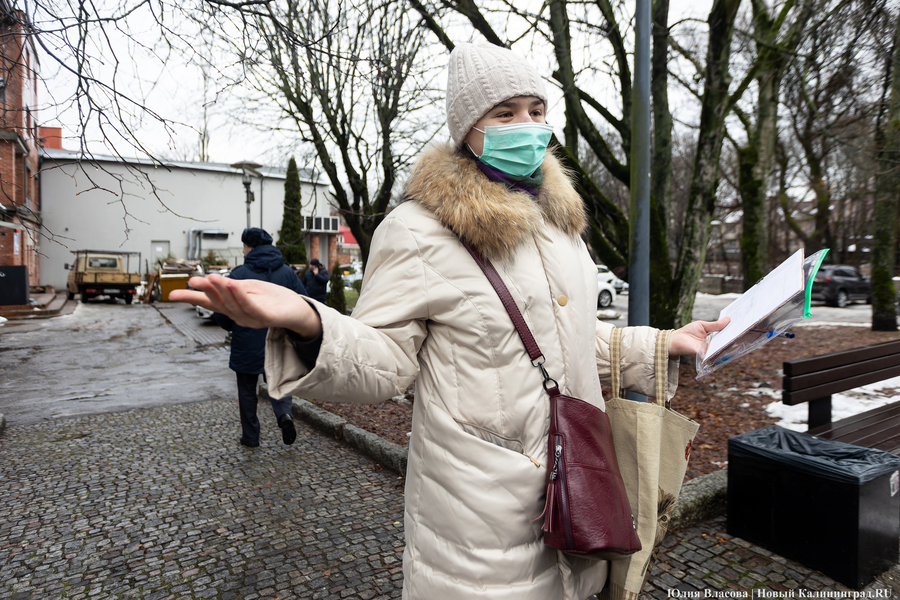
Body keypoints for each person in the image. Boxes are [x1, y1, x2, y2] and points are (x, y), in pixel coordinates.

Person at [172, 43, 728, 600]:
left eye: (535, 110)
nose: (526, 125)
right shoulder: (418, 230)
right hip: (479, 522)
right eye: (504, 113)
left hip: (580, 494)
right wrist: (310, 322)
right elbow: (386, 361)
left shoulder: (561, 225)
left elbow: (572, 336)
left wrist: (662, 344)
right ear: (468, 129)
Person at [212, 227, 309, 448]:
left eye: (244, 246)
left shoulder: (238, 275)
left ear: (251, 247)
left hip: (247, 341)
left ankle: (251, 436)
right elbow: (306, 303)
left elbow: (222, 311)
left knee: (247, 391)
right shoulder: (287, 273)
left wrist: (231, 326)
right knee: (279, 383)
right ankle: (284, 416)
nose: (243, 250)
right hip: (280, 341)